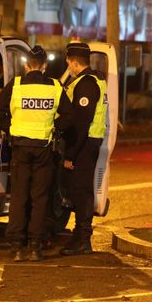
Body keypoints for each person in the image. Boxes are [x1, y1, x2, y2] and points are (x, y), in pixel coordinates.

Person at [0, 45, 72, 262]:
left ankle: (17, 246)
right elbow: (68, 116)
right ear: (45, 66)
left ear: (26, 65)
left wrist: (12, 128)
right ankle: (36, 246)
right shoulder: (55, 87)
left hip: (20, 148)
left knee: (19, 197)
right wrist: (55, 129)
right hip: (44, 149)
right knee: (40, 198)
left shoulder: (16, 85)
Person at [60, 42, 107, 255]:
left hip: (85, 143)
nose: (67, 65)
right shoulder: (94, 80)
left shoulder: (86, 84)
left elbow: (81, 121)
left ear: (74, 62)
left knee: (82, 191)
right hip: (89, 141)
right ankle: (79, 237)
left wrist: (70, 154)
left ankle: (83, 239)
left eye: (68, 62)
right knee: (79, 190)